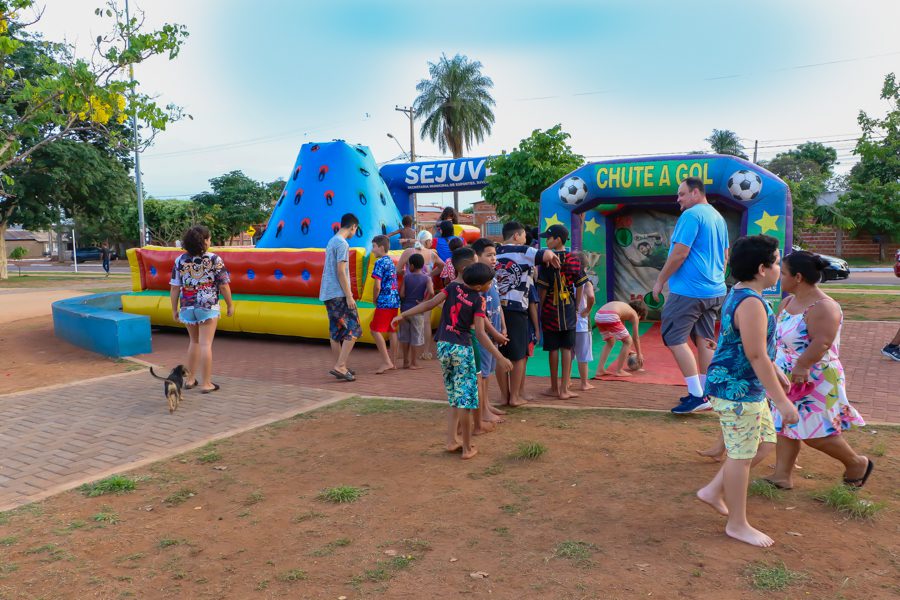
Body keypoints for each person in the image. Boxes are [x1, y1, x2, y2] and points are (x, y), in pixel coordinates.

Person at [696, 235, 799, 548]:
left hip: (744, 386)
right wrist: (782, 403)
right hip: (736, 389)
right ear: (761, 268)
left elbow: (752, 349)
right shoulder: (752, 303)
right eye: (777, 262)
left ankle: (713, 490)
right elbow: (755, 355)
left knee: (764, 444)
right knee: (741, 456)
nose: (779, 268)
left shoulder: (741, 292)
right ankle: (737, 524)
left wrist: (776, 371)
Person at [765, 250, 872, 490]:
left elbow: (822, 342)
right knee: (785, 425)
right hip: (787, 376)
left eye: (783, 273)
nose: (779, 277)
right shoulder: (788, 302)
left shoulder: (825, 307)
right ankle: (782, 475)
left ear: (799, 277)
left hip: (814, 378)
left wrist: (802, 366)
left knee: (816, 431)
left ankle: (856, 463)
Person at [393, 254, 511, 460]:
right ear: (479, 286)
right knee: (466, 401)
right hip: (462, 349)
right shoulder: (479, 300)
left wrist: (403, 314)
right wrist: (500, 357)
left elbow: (429, 304)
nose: (490, 285)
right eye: (489, 282)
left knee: (455, 398)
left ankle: (451, 440)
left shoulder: (452, 288)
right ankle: (467, 448)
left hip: (444, 347)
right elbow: (481, 335)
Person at [652, 177, 730, 414]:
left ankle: (697, 395)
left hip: (689, 291)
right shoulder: (718, 217)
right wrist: (715, 279)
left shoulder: (691, 215)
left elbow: (679, 254)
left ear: (696, 193)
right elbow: (726, 255)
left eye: (682, 194)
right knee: (705, 338)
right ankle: (706, 393)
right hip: (715, 290)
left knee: (674, 337)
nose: (678, 200)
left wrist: (659, 280)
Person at [495, 222, 561, 407]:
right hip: (516, 309)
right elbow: (546, 253)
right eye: (523, 235)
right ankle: (515, 397)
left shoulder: (495, 251)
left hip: (496, 309)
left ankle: (503, 396)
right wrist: (551, 257)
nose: (525, 239)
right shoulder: (524, 250)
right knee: (518, 355)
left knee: (500, 353)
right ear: (517, 235)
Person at [169, 225, 233, 394]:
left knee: (194, 342)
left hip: (187, 306)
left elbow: (175, 288)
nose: (210, 240)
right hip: (207, 306)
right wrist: (230, 304)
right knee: (206, 344)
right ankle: (206, 383)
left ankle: (190, 380)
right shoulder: (214, 259)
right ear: (204, 241)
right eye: (209, 238)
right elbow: (224, 285)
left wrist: (174, 309)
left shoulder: (180, 260)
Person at [536, 224, 588, 400]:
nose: (546, 241)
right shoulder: (574, 259)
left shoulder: (546, 261)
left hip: (550, 309)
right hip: (568, 309)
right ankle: (564, 389)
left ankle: (553, 387)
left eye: (549, 238)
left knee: (552, 348)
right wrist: (577, 305)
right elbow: (580, 284)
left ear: (557, 239)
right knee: (567, 347)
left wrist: (540, 308)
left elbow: (542, 289)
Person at [321, 213, 361, 382]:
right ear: (353, 227)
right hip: (339, 293)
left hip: (328, 292)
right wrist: (349, 296)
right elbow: (341, 272)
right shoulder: (343, 244)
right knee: (355, 328)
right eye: (355, 229)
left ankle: (340, 364)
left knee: (336, 332)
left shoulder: (332, 241)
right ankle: (340, 366)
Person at [472, 238, 507, 425]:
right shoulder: (479, 282)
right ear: (477, 256)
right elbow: (480, 315)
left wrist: (503, 325)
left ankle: (486, 404)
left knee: (489, 372)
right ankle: (483, 410)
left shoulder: (491, 278)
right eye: (489, 255)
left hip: (494, 332)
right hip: (485, 335)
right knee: (483, 375)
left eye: (495, 255)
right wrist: (494, 333)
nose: (494, 258)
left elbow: (497, 305)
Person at [369, 234, 400, 374]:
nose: (372, 250)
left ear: (381, 247)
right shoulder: (390, 261)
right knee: (392, 330)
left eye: (374, 246)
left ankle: (386, 361)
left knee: (374, 330)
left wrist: (375, 298)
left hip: (385, 300)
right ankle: (393, 362)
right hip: (394, 300)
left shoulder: (380, 262)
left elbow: (377, 285)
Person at [592, 299, 647, 378]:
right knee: (629, 341)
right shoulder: (634, 314)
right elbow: (636, 337)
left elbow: (621, 335)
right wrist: (639, 354)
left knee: (610, 341)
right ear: (639, 313)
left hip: (598, 316)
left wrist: (628, 350)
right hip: (611, 315)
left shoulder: (624, 309)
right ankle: (619, 371)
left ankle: (600, 370)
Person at [398, 253, 433, 370]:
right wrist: (424, 301)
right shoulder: (426, 278)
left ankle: (405, 361)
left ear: (411, 266)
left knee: (405, 336)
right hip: (417, 310)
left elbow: (402, 294)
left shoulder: (406, 277)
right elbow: (432, 292)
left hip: (405, 310)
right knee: (416, 336)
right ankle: (414, 362)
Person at [574, 276, 595, 391]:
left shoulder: (566, 278)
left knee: (569, 353)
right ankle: (584, 383)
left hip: (569, 322)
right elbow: (591, 296)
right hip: (582, 323)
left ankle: (566, 381)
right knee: (583, 355)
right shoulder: (585, 281)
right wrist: (587, 310)